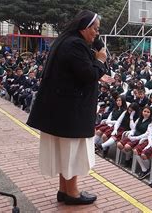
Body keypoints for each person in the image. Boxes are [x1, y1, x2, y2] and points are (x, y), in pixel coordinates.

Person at [27, 10, 112, 205]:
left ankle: (64, 190)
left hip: (61, 110)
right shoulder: (75, 44)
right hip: (70, 112)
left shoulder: (65, 41)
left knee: (64, 152)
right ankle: (72, 193)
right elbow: (89, 75)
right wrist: (100, 60)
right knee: (71, 153)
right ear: (85, 27)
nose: (97, 34)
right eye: (96, 29)